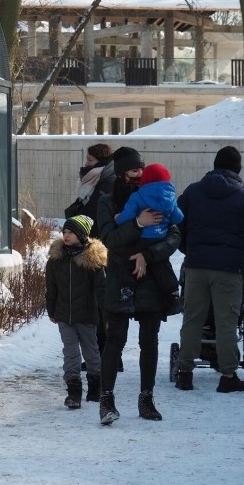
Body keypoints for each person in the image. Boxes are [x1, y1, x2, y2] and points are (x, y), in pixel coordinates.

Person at [97, 146, 181, 425]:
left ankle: (146, 399)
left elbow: (174, 236)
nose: (139, 175)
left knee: (149, 340)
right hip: (121, 276)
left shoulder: (158, 195)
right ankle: (106, 400)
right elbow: (109, 239)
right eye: (134, 170)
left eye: (141, 169)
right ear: (121, 174)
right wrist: (137, 222)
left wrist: (148, 254)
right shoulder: (107, 202)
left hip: (152, 277)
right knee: (115, 340)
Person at [175, 146, 244, 393]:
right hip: (229, 269)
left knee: (193, 317)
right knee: (227, 321)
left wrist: (189, 250)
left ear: (215, 165)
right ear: (237, 168)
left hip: (196, 267)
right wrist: (243, 255)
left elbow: (177, 225)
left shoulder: (193, 192)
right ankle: (228, 376)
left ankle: (185, 373)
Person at [45, 215, 107, 409]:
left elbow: (102, 290)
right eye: (64, 231)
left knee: (91, 352)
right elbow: (51, 287)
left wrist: (107, 315)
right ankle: (73, 393)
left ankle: (95, 388)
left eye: (71, 232)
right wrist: (51, 309)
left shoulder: (93, 261)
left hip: (87, 315)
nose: (66, 235)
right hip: (64, 315)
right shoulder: (56, 260)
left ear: (81, 234)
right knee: (70, 353)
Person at [67, 143, 115, 368]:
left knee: (99, 303)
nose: (86, 164)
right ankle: (104, 355)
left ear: (101, 163)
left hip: (100, 250)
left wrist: (77, 214)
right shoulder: (97, 180)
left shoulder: (105, 182)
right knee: (97, 303)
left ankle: (106, 355)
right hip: (94, 249)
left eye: (90, 161)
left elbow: (93, 215)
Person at [115, 163, 184, 240]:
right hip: (162, 236)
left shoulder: (137, 196)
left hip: (142, 237)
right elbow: (178, 218)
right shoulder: (170, 198)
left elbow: (128, 215)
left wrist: (118, 219)